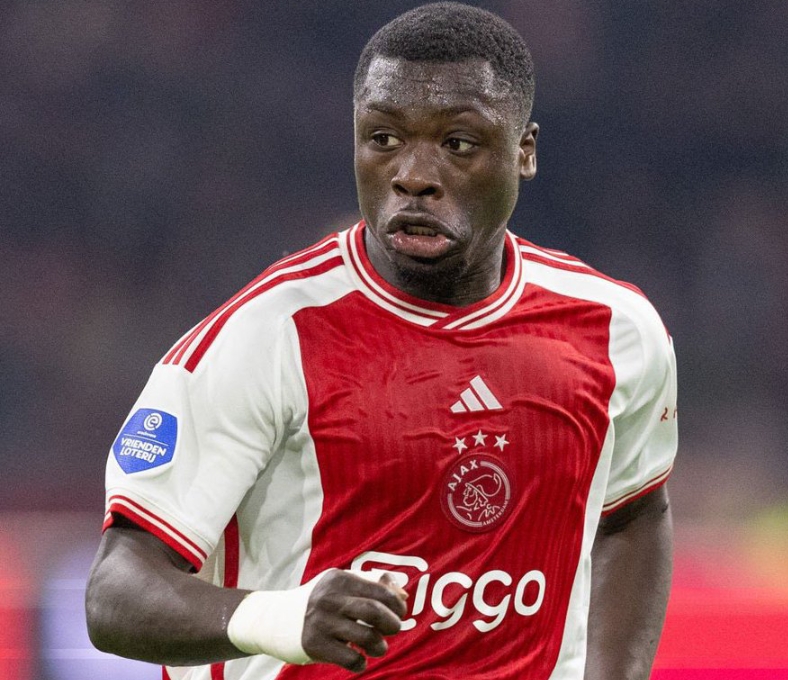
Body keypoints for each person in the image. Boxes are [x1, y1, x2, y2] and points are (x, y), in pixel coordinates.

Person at [84, 4, 678, 679]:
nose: (413, 174)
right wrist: (278, 618)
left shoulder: (615, 331)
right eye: (384, 138)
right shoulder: (265, 337)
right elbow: (115, 592)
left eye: (458, 143)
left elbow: (634, 514)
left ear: (524, 151)